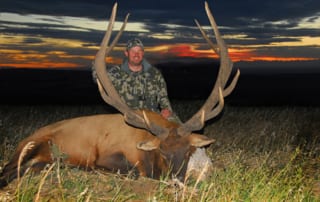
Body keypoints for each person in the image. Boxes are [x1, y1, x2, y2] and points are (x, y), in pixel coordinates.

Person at [92, 38, 178, 121]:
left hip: (152, 119)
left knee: (176, 124)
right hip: (125, 119)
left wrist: (166, 110)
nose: (136, 54)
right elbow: (98, 79)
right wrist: (96, 61)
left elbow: (163, 98)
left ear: (143, 53)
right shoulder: (115, 73)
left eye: (139, 51)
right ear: (126, 53)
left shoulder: (155, 74)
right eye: (133, 51)